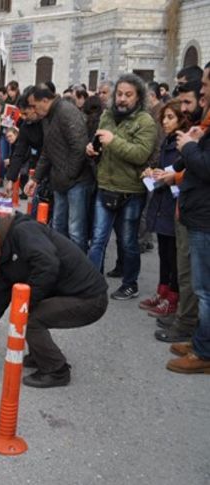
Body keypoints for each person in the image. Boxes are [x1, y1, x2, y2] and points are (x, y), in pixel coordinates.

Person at [0, 213, 108, 388]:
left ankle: (57, 370)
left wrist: (26, 304)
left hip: (90, 298)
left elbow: (48, 265)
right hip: (72, 293)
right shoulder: (6, 253)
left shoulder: (23, 232)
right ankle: (39, 353)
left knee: (29, 318)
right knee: (25, 310)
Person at [86, 73, 158, 300]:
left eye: (128, 95)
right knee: (98, 238)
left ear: (138, 98)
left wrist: (113, 141)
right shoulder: (106, 116)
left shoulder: (145, 121)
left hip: (131, 191)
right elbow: (100, 144)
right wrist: (93, 149)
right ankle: (91, 283)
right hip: (105, 184)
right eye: (119, 94)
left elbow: (140, 154)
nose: (122, 99)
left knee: (127, 241)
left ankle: (130, 283)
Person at [166, 60, 210, 373]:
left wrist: (191, 146)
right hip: (196, 212)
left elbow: (206, 167)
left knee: (204, 290)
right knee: (199, 286)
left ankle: (203, 353)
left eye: (206, 85)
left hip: (205, 217)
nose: (202, 90)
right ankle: (200, 341)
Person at [151, 81, 203, 342]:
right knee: (184, 270)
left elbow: (202, 167)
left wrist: (177, 172)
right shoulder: (196, 130)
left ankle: (192, 330)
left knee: (195, 279)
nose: (185, 109)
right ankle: (185, 319)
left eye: (188, 102)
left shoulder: (193, 137)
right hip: (186, 208)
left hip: (197, 212)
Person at [24, 83, 93, 251]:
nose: (33, 110)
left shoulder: (66, 111)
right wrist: (35, 178)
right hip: (60, 180)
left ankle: (78, 270)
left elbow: (79, 147)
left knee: (75, 231)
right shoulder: (47, 117)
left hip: (76, 181)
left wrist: (69, 174)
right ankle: (62, 264)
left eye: (34, 105)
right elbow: (47, 150)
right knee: (58, 226)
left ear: (45, 100)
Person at [139, 100, 187, 319]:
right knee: (164, 252)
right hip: (161, 201)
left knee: (173, 254)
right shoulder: (167, 141)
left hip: (173, 203)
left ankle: (172, 298)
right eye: (164, 118)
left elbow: (182, 173)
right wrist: (152, 172)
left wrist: (168, 176)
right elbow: (162, 167)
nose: (165, 122)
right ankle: (162, 292)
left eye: (171, 118)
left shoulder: (183, 143)